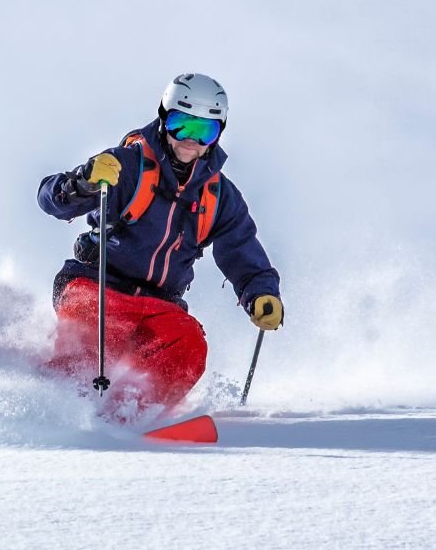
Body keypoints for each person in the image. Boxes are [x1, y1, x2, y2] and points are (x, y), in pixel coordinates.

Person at [37, 73, 283, 414]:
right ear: (165, 118)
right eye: (182, 125)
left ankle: (131, 416)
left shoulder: (219, 195)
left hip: (159, 305)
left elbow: (240, 247)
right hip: (98, 287)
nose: (190, 141)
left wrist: (260, 291)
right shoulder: (127, 165)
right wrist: (84, 182)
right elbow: (51, 198)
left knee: (188, 344)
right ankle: (58, 407)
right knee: (94, 331)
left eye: (205, 131)